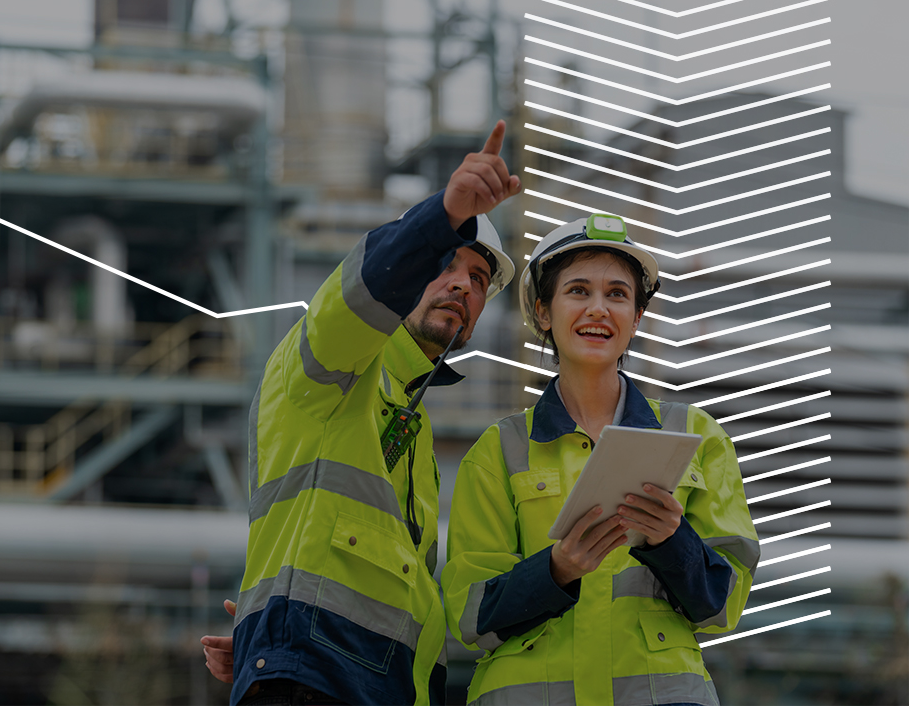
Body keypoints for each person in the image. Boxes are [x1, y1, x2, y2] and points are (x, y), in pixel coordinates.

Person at [204, 121, 522, 705]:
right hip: (314, 680)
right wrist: (444, 214)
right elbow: (356, 297)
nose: (460, 285)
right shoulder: (333, 363)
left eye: (478, 279)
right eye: (444, 263)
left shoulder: (414, 423)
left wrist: (260, 631)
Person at [442, 215, 760, 706]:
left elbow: (724, 604)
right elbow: (468, 615)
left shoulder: (695, 436)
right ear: (544, 313)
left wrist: (672, 540)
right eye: (578, 291)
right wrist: (556, 570)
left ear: (636, 317)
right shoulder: (499, 451)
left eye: (617, 294)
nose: (599, 308)